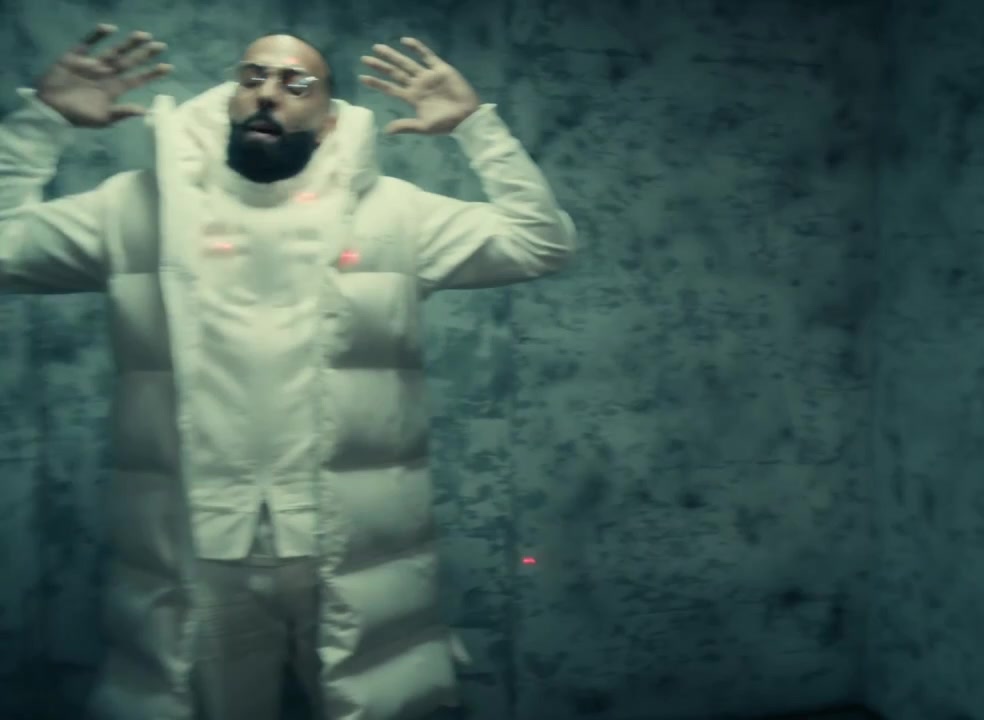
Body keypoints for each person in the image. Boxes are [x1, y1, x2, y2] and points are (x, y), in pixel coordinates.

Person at [0, 23, 576, 720]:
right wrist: (43, 122)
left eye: (296, 83)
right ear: (230, 98)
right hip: (197, 550)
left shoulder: (396, 214)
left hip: (349, 551)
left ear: (330, 118)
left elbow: (541, 243)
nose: (269, 93)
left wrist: (475, 127)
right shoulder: (134, 208)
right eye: (253, 77)